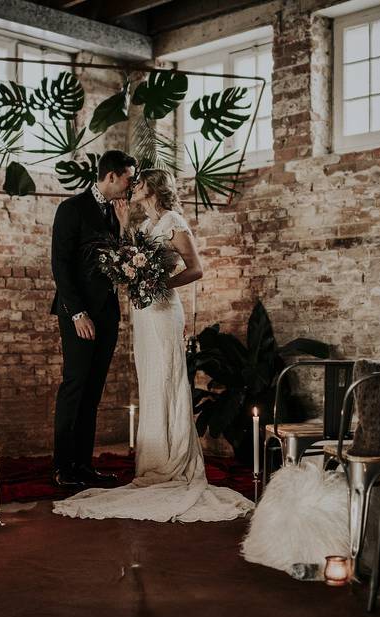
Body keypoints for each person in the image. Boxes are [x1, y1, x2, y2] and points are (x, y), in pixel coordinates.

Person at [53, 169, 254, 522]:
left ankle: (174, 459)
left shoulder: (174, 220)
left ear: (154, 188)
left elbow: (196, 269)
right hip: (143, 314)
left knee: (166, 378)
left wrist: (162, 284)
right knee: (150, 382)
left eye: (140, 182)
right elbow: (131, 259)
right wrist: (124, 229)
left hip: (162, 311)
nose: (134, 186)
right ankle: (154, 460)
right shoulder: (145, 225)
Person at [50, 150, 136, 489]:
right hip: (79, 316)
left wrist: (125, 224)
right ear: (111, 176)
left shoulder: (117, 211)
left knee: (94, 392)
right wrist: (78, 314)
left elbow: (122, 259)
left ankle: (83, 466)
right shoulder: (71, 209)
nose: (132, 184)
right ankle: (62, 468)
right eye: (129, 178)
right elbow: (61, 266)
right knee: (74, 387)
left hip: (107, 314)